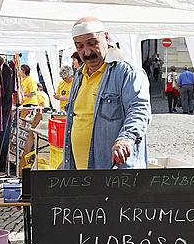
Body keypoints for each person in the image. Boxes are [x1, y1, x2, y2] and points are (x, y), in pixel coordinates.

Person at [61, 17, 151, 170]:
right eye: (80, 46)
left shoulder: (127, 72)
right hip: (80, 174)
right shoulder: (79, 75)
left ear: (107, 37)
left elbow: (139, 109)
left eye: (92, 43)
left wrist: (125, 139)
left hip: (112, 173)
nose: (87, 52)